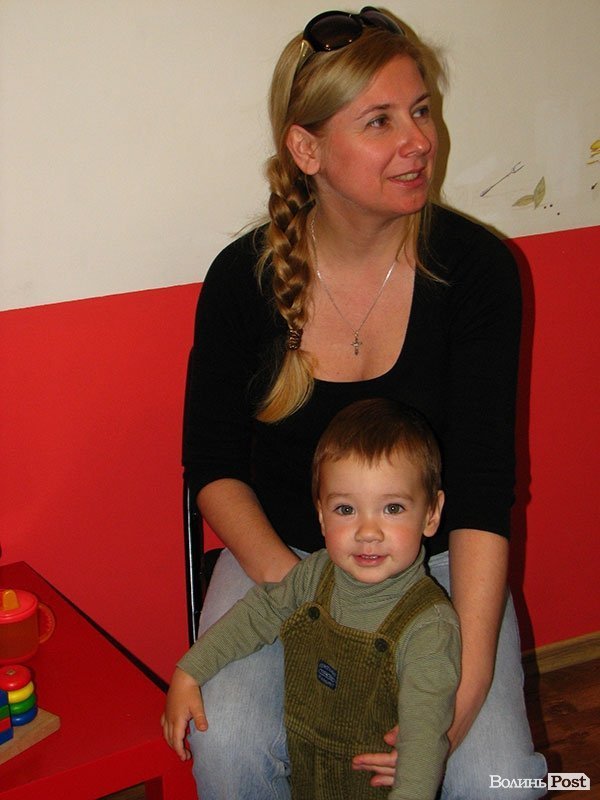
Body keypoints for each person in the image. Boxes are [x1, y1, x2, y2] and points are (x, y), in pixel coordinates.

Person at [177, 6, 547, 799]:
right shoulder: (241, 280)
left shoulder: (476, 271)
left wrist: (464, 694)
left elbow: (483, 489)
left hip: (434, 564)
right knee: (229, 745)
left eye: (422, 111)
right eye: (380, 121)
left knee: (498, 782)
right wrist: (309, 600)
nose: (419, 141)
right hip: (286, 560)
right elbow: (211, 465)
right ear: (307, 149)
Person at [163, 399, 462, 800]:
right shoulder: (314, 575)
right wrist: (189, 670)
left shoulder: (429, 627)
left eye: (392, 508)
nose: (367, 531)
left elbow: (423, 745)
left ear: (431, 514)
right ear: (321, 515)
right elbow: (257, 614)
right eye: (345, 509)